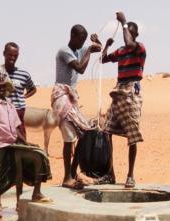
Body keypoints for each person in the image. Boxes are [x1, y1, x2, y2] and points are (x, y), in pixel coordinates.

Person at [0, 67, 53, 221]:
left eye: (3, 86)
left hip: (13, 145)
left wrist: (27, 143)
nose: (1, 89)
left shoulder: (9, 104)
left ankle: (36, 192)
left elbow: (16, 129)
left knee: (38, 156)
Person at [52, 24, 101, 189]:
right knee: (69, 137)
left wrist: (96, 41)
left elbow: (98, 48)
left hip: (71, 97)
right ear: (72, 35)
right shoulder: (64, 51)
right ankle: (67, 177)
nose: (82, 43)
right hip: (61, 96)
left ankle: (72, 174)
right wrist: (88, 50)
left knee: (85, 133)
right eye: (81, 39)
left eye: (84, 41)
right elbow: (80, 68)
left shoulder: (80, 49)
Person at [101, 11, 146, 188]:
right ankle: (109, 173)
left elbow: (129, 42)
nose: (127, 34)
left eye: (130, 32)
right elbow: (104, 59)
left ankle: (130, 175)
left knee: (132, 134)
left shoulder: (139, 47)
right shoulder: (120, 51)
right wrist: (105, 45)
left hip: (132, 92)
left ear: (134, 35)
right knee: (107, 131)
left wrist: (124, 22)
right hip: (119, 90)